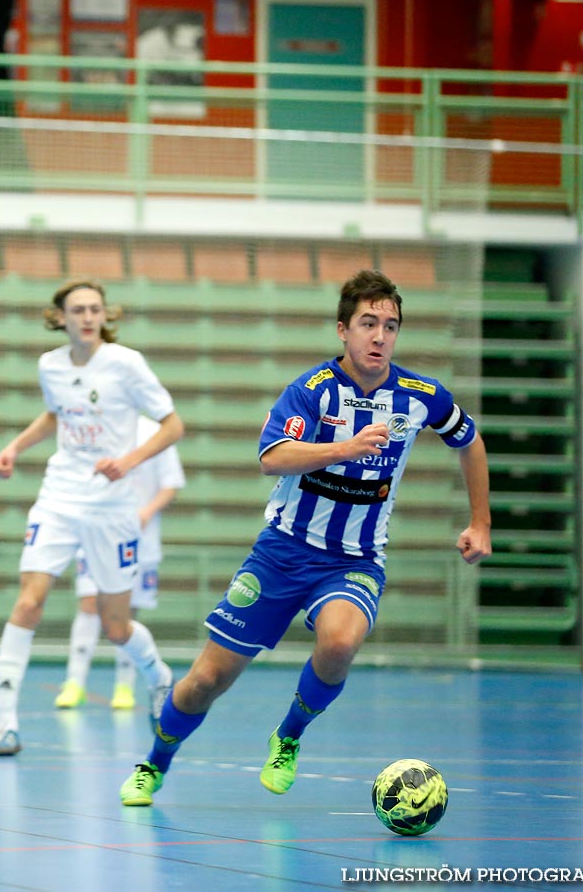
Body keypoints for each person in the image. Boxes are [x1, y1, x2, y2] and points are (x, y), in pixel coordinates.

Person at [119, 269, 491, 807]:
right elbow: (272, 458)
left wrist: (481, 521)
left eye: (390, 325)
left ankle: (288, 735)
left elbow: (469, 439)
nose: (380, 336)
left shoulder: (419, 396)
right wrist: (345, 448)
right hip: (282, 552)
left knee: (340, 642)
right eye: (368, 323)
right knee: (206, 680)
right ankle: (154, 764)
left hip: (355, 559)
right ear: (343, 330)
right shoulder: (312, 391)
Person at [0, 279, 184, 757]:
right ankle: (5, 723)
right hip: (59, 497)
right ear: (61, 317)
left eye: (95, 309)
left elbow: (173, 425)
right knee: (29, 601)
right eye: (78, 310)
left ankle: (159, 678)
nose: (88, 317)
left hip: (113, 506)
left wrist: (129, 463)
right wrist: (15, 446)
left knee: (116, 627)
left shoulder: (126, 364)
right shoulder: (49, 365)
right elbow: (56, 415)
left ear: (105, 316)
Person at [55, 413, 185, 715]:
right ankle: (74, 682)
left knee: (126, 611)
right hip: (96, 530)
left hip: (140, 538)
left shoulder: (156, 432)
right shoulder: (94, 428)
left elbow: (171, 484)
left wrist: (147, 512)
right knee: (88, 603)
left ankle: (124, 685)